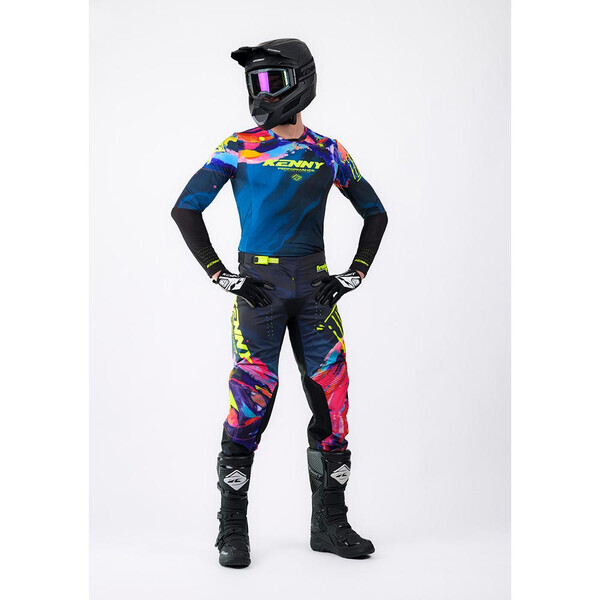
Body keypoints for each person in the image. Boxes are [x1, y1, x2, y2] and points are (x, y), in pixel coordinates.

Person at [172, 38, 388, 568]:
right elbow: (185, 209)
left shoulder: (328, 150)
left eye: (272, 80)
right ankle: (232, 529)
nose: (262, 93)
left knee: (333, 404)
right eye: (255, 82)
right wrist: (222, 275)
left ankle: (330, 525)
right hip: (260, 291)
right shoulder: (238, 146)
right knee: (251, 402)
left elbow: (375, 212)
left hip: (316, 292)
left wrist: (353, 274)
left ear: (302, 81)